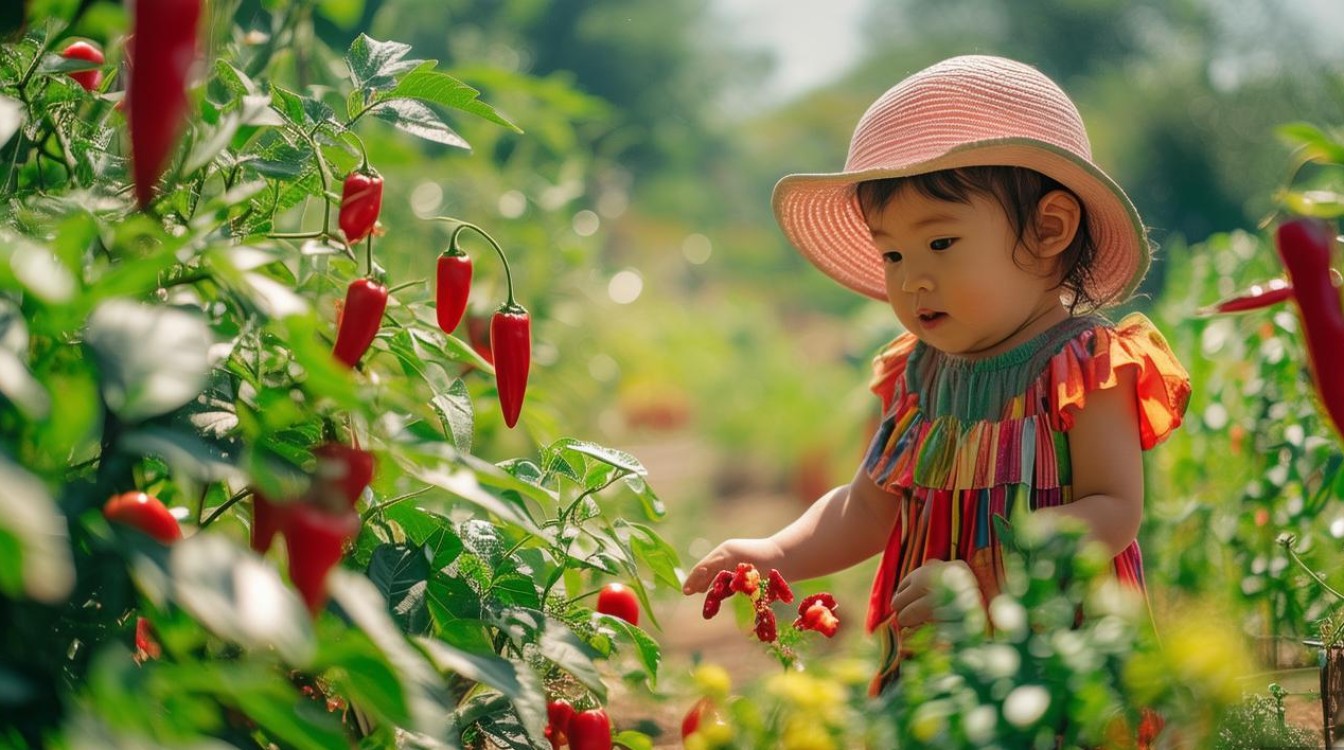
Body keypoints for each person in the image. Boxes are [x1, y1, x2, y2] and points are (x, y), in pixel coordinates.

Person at [680, 55, 1192, 694]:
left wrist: (991, 575)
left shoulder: (1085, 366)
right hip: (937, 654)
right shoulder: (919, 376)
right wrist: (777, 553)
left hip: (1058, 648)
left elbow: (1114, 509)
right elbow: (867, 508)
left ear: (1049, 229)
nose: (910, 278)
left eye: (941, 244)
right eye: (892, 253)